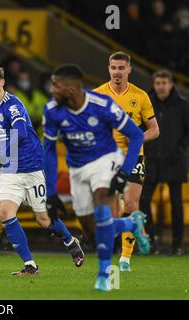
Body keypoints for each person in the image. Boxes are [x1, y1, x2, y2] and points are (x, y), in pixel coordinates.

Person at [0, 62, 85, 275]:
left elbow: (20, 133)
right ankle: (30, 264)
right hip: (11, 171)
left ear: (1, 82)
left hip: (32, 167)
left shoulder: (13, 105)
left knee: (44, 219)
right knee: (5, 213)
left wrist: (1, 152)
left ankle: (70, 240)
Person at [43, 64, 150, 291]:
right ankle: (131, 222)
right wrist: (50, 192)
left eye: (56, 85)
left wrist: (124, 172)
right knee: (92, 230)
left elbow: (136, 135)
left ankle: (103, 276)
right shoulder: (51, 110)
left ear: (72, 88)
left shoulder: (102, 105)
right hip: (77, 168)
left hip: (105, 160)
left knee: (102, 202)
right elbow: (49, 151)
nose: (52, 90)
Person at [94, 52, 159, 271]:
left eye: (121, 68)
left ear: (129, 69)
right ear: (108, 68)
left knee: (130, 205)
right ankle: (132, 227)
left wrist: (137, 138)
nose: (117, 72)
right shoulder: (98, 95)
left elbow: (154, 130)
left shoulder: (140, 96)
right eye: (113, 68)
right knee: (112, 212)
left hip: (133, 156)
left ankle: (125, 259)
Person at [141, 69, 189, 255]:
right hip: (151, 160)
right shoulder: (147, 103)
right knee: (144, 200)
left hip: (174, 160)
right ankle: (150, 242)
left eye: (164, 83)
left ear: (171, 84)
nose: (161, 87)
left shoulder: (183, 105)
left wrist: (181, 147)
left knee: (176, 204)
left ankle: (177, 244)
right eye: (158, 83)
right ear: (154, 84)